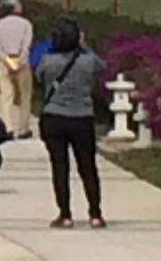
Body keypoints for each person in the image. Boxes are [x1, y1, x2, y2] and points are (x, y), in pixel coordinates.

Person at [35, 15, 106, 229]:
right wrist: (84, 47)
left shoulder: (48, 61)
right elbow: (102, 67)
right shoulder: (88, 61)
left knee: (60, 166)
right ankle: (95, 214)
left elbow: (39, 77)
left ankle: (65, 214)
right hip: (82, 118)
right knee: (88, 166)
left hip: (54, 117)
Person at [0, 0, 34, 138]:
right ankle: (23, 128)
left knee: (6, 96)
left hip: (5, 61)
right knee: (25, 96)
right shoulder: (26, 24)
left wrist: (6, 61)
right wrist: (19, 61)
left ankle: (8, 127)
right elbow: (26, 45)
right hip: (21, 61)